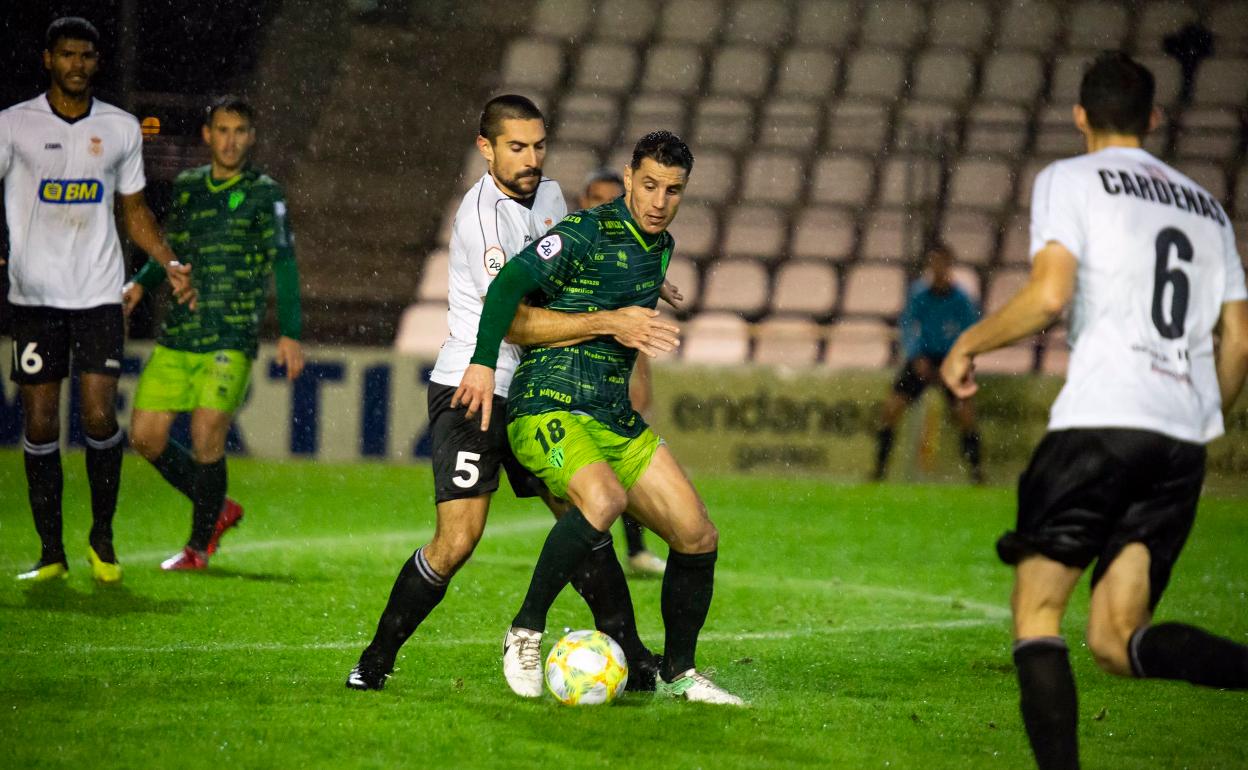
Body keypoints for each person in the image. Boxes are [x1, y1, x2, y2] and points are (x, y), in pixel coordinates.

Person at [941, 52, 1248, 769]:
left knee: (1038, 615)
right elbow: (1238, 340)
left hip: (1102, 424)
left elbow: (1050, 295)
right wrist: (1203, 413)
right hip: (1180, 438)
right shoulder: (1208, 206)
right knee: (1116, 639)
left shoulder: (1069, 180)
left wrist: (969, 342)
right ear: (1155, 120)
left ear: (1079, 114)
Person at [346, 96, 679, 692]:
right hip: (475, 386)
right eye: (517, 147)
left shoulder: (551, 196)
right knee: (457, 542)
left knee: (587, 520)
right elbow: (517, 318)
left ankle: (632, 653)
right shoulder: (480, 219)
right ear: (487, 148)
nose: (531, 159)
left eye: (539, 145)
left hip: (538, 389)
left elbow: (568, 269)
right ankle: (376, 658)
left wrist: (631, 275)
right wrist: (609, 317)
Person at [456, 130, 745, 706]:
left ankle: (681, 672)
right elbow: (507, 289)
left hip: (612, 416)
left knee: (697, 534)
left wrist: (648, 286)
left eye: (673, 190)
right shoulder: (585, 232)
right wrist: (484, 364)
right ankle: (525, 629)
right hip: (548, 405)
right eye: (649, 185)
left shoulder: (659, 245)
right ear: (630, 177)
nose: (659, 201)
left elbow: (624, 282)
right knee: (604, 501)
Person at [1, 17, 194, 584]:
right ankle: (50, 551)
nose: (77, 65)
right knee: (38, 426)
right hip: (35, 298)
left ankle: (102, 540)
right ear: (48, 59)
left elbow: (134, 210)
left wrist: (167, 260)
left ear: (96, 61)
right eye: (67, 55)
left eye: (86, 55)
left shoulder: (120, 128)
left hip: (98, 296)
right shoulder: (14, 125)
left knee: (98, 416)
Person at [122, 96, 304, 571]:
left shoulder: (266, 193)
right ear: (207, 135)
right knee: (144, 436)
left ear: (252, 136)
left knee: (206, 434)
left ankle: (198, 547)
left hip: (231, 333)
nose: (230, 140)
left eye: (240, 131)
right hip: (180, 332)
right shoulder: (186, 187)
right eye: (222, 130)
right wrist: (141, 285)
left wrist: (290, 333)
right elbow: (171, 249)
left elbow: (283, 260)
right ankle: (218, 506)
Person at [579, 167, 666, 576]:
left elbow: (639, 329)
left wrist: (641, 381)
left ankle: (630, 551)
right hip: (560, 381)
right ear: (582, 202)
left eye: (610, 200)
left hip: (609, 379)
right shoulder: (569, 246)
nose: (602, 207)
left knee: (616, 469)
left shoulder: (632, 259)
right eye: (595, 198)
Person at [871, 243, 983, 483]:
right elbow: (908, 325)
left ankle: (976, 472)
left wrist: (957, 361)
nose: (937, 268)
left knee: (966, 415)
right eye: (933, 263)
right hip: (922, 357)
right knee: (891, 410)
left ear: (949, 265)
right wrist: (915, 355)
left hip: (951, 360)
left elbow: (970, 333)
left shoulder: (961, 299)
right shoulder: (919, 294)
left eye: (941, 262)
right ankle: (878, 471)